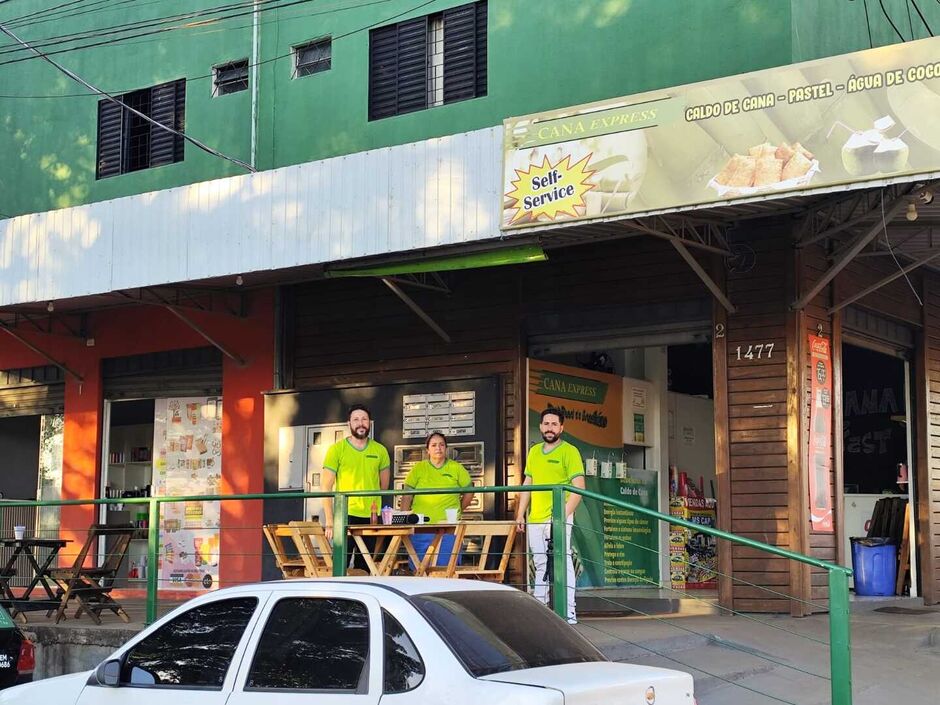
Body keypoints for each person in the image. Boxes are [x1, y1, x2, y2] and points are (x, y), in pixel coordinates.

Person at [514, 407, 585, 624]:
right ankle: (541, 609)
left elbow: (578, 488)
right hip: (535, 517)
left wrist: (560, 518)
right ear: (540, 426)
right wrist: (520, 514)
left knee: (563, 562)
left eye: (554, 424)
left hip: (558, 517)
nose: (550, 428)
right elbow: (528, 483)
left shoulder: (569, 451)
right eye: (546, 423)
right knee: (540, 562)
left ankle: (569, 611)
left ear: (561, 428)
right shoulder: (534, 452)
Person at [321, 404, 390, 571]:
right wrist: (330, 521)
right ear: (349, 424)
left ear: (370, 423)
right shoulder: (336, 450)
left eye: (364, 419)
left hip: (371, 517)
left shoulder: (380, 450)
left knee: (364, 567)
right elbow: (326, 487)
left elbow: (384, 486)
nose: (361, 423)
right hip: (344, 515)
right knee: (340, 565)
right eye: (356, 419)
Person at [400, 432, 474, 568]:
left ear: (446, 448)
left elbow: (469, 492)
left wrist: (459, 509)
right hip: (421, 528)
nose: (438, 448)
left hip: (448, 529)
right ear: (427, 450)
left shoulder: (456, 468)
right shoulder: (418, 468)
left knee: (447, 569)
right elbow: (407, 495)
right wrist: (404, 520)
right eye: (434, 445)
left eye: (441, 445)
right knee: (420, 569)